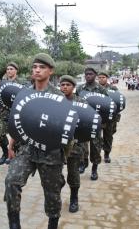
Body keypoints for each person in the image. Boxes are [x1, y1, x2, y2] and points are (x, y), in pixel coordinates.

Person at [5, 53, 65, 229]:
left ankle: (52, 224)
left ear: (50, 71)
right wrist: (11, 143)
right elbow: (17, 120)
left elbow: (65, 127)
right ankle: (14, 224)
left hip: (51, 152)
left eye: (42, 67)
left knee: (52, 193)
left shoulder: (59, 96)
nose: (37, 70)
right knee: (11, 181)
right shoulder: (24, 94)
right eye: (35, 67)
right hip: (27, 149)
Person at [59, 75, 85, 213]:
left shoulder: (80, 102)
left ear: (73, 87)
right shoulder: (56, 101)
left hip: (75, 144)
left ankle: (74, 199)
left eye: (68, 85)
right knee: (55, 174)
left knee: (73, 174)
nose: (64, 87)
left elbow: (86, 123)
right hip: (57, 145)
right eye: (62, 85)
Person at [76, 67, 107, 179]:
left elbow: (106, 106)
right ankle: (83, 163)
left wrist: (103, 122)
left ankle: (94, 169)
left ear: (95, 75)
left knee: (95, 147)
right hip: (83, 122)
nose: (88, 76)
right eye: (86, 74)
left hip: (95, 123)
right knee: (81, 145)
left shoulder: (101, 89)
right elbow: (76, 103)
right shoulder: (80, 89)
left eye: (91, 74)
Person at [0, 62, 22, 165]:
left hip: (16, 114)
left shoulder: (21, 84)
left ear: (16, 70)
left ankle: (13, 155)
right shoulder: (3, 83)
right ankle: (5, 152)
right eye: (7, 69)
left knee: (15, 136)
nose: (9, 71)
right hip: (5, 113)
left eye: (11, 69)